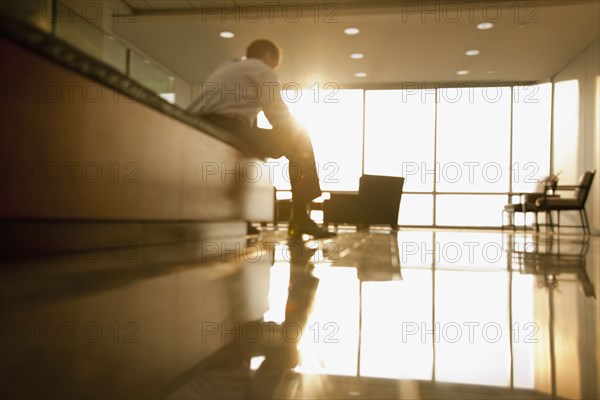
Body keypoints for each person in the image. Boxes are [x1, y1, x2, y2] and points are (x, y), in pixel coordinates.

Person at [188, 39, 335, 239]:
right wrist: (295, 137)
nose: (276, 67)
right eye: (276, 62)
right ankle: (300, 217)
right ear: (268, 56)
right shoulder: (263, 70)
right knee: (300, 141)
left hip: (198, 124)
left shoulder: (229, 66)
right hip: (227, 126)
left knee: (254, 150)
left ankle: (239, 218)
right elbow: (277, 115)